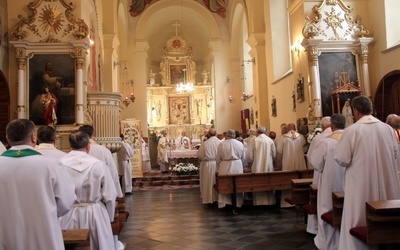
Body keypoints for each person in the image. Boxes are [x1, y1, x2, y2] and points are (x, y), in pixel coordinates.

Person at [335, 96, 400, 250]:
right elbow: (395, 154)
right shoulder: (388, 129)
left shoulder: (352, 131)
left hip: (360, 186)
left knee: (359, 218)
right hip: (386, 185)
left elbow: (342, 158)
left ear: (355, 111)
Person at [0, 119, 75, 250]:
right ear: (34, 137)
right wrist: (47, 212)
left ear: (7, 138)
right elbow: (66, 201)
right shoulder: (51, 165)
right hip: (43, 234)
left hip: (5, 234)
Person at [60, 130, 117, 250]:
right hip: (94, 213)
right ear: (88, 145)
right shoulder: (98, 165)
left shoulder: (59, 164)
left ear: (70, 145)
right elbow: (110, 195)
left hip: (67, 214)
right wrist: (110, 217)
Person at [309, 114, 345, 250]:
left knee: (327, 207)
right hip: (349, 182)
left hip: (330, 182)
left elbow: (316, 163)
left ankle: (328, 243)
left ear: (332, 126)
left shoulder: (326, 142)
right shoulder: (352, 138)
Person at [79, 125, 123, 198]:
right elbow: (113, 171)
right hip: (100, 191)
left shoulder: (76, 151)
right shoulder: (103, 150)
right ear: (93, 134)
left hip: (80, 192)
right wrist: (117, 192)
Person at [305, 116, 331, 235]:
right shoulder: (345, 136)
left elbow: (311, 158)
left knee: (322, 197)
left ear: (323, 126)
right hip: (342, 174)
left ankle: (316, 227)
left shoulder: (318, 139)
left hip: (322, 173)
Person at [276, 123, 307, 207]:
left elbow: (279, 150)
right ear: (295, 128)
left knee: (288, 179)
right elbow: (305, 149)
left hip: (287, 160)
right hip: (299, 161)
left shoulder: (284, 137)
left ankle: (287, 203)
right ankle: (302, 200)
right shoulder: (301, 137)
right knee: (300, 179)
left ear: (287, 129)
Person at [216, 129, 245, 208]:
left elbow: (218, 157)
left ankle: (225, 203)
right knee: (237, 185)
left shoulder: (222, 144)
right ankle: (238, 203)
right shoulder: (240, 144)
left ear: (227, 135)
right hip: (237, 165)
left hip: (225, 165)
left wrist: (218, 166)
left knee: (225, 185)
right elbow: (243, 156)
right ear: (234, 135)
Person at [251, 126, 276, 205]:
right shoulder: (270, 140)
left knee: (258, 181)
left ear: (257, 132)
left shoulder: (255, 140)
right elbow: (274, 153)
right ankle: (270, 201)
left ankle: (259, 202)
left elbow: (250, 154)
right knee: (268, 180)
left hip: (257, 163)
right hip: (268, 163)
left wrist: (252, 160)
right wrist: (271, 160)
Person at [198, 128, 220, 204]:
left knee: (208, 182)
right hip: (218, 164)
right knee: (217, 181)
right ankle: (218, 198)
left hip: (208, 165)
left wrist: (205, 159)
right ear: (216, 134)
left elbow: (200, 155)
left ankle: (209, 198)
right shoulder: (220, 142)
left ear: (208, 135)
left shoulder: (205, 144)